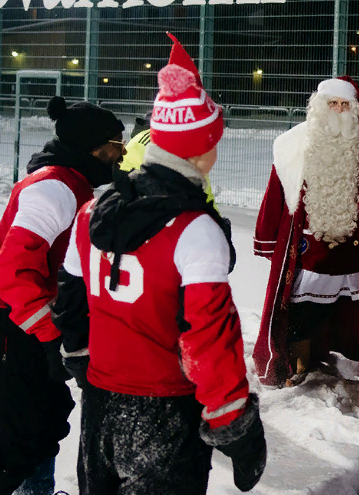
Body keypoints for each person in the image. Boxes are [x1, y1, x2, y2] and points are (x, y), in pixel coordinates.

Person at [50, 33, 266, 494]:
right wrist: (236, 427)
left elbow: (69, 298)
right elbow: (210, 337)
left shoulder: (93, 210)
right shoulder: (195, 229)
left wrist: (81, 359)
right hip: (166, 410)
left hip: (102, 406)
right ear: (203, 148)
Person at [252, 76, 359, 386]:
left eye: (346, 105)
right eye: (333, 104)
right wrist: (267, 237)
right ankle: (299, 366)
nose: (340, 110)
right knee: (303, 310)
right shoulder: (292, 144)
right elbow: (276, 193)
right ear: (319, 107)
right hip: (315, 250)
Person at [0, 96, 125, 495]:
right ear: (93, 148)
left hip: (31, 326)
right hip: (19, 327)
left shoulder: (71, 183)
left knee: (46, 418)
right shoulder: (54, 188)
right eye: (115, 144)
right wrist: (51, 335)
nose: (119, 154)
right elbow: (12, 271)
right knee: (22, 431)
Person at [121, 110, 220, 210]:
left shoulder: (135, 141)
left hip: (124, 206)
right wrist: (217, 220)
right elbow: (204, 190)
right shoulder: (182, 147)